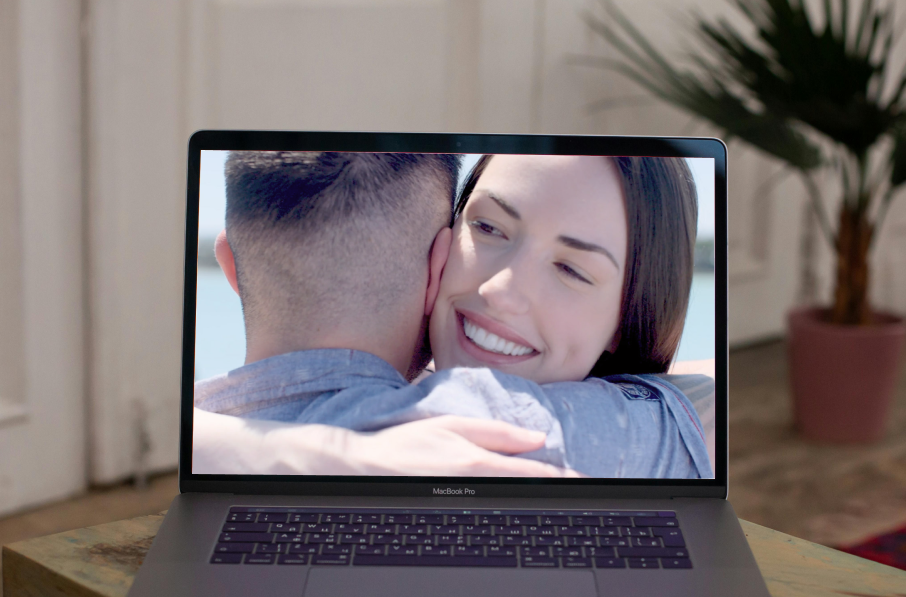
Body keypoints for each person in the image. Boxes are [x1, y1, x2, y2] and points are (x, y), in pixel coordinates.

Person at [194, 150, 711, 478]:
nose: (503, 290)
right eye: (488, 228)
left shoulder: (203, 414)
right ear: (437, 254)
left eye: (572, 269)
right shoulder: (518, 433)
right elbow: (702, 407)